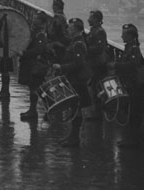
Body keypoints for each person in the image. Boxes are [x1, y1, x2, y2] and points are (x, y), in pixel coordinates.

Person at [53, 18, 92, 147]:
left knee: (76, 109)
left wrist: (62, 68)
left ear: (76, 29)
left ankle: (75, 138)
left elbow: (78, 64)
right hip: (74, 79)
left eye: (69, 27)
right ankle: (72, 136)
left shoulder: (78, 43)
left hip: (78, 81)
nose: (67, 29)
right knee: (74, 108)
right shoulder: (75, 42)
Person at [112, 23, 144, 148]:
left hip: (136, 86)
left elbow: (132, 66)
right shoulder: (130, 47)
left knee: (134, 113)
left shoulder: (134, 48)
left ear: (130, 35)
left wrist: (116, 66)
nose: (121, 36)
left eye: (124, 34)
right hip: (130, 84)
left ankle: (133, 140)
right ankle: (131, 138)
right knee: (131, 112)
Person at [19, 12, 53, 121]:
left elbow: (38, 50)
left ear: (41, 21)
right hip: (32, 65)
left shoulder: (40, 35)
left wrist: (24, 53)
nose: (33, 19)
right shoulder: (35, 32)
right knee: (33, 88)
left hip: (37, 65)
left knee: (36, 88)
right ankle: (33, 110)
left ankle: (46, 110)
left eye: (36, 18)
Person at [85, 9, 109, 119]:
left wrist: (86, 49)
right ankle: (96, 112)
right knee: (94, 88)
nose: (88, 19)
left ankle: (98, 114)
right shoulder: (94, 30)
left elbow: (99, 48)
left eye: (90, 18)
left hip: (98, 64)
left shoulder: (99, 32)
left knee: (97, 89)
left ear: (96, 19)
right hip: (93, 64)